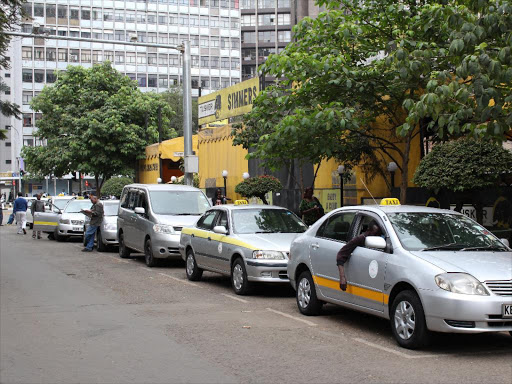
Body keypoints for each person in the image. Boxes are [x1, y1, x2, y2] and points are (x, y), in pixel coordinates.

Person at [336, 220, 383, 291]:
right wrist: (342, 277)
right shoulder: (361, 239)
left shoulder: (383, 239)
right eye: (375, 234)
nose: (377, 237)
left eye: (379, 234)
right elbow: (341, 254)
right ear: (368, 231)